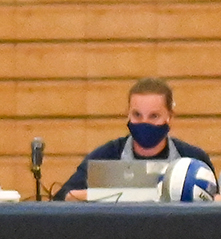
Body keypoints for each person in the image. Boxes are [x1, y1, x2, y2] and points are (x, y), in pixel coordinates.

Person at [57, 78, 212, 200]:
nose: (145, 122)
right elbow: (65, 196)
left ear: (170, 117)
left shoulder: (193, 159)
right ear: (128, 114)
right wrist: (112, 196)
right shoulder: (105, 156)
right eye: (137, 115)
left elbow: (217, 203)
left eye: (154, 116)